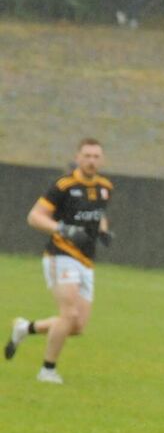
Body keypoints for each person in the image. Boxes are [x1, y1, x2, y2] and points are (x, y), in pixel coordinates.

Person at [6, 138, 114, 383]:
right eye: (87, 155)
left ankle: (25, 328)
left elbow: (99, 213)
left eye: (96, 156)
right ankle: (47, 370)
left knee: (77, 326)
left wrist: (104, 231)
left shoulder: (105, 187)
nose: (91, 160)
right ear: (78, 157)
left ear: (102, 160)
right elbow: (35, 217)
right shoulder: (64, 185)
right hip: (61, 256)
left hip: (87, 261)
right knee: (68, 314)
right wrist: (63, 230)